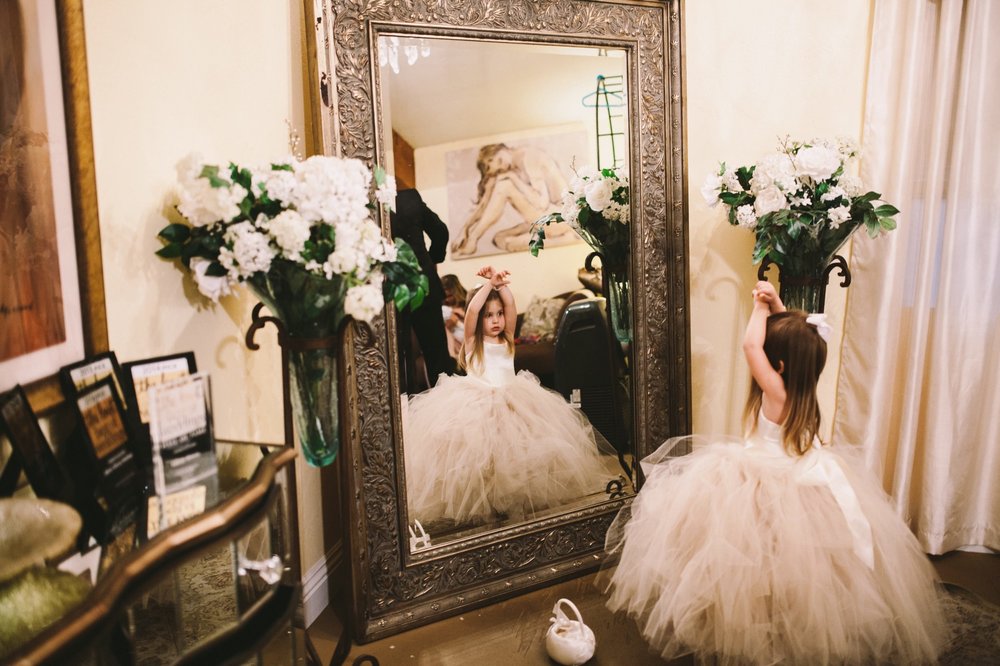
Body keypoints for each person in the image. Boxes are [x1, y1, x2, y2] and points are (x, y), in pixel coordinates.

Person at [602, 281, 947, 665]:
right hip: (805, 477)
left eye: (771, 357)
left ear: (778, 365)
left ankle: (761, 633)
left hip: (762, 481)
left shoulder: (776, 391)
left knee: (755, 561)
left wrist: (758, 309)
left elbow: (751, 347)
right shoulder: (803, 392)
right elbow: (787, 344)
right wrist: (778, 306)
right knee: (793, 567)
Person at [403, 266, 612, 525]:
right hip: (476, 404)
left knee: (516, 458)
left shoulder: (508, 339)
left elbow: (511, 307)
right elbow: (471, 312)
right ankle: (486, 510)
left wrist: (502, 286)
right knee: (481, 459)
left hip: (513, 401)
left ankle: (515, 506)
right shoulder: (472, 342)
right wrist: (488, 286)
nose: (496, 320)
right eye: (489, 316)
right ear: (479, 320)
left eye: (499, 314)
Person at [451, 143, 578, 257]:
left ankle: (473, 240)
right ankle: (563, 240)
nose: (504, 166)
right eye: (499, 169)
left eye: (500, 160)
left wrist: (513, 178)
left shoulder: (529, 156)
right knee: (500, 239)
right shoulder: (509, 168)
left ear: (501, 148)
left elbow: (541, 203)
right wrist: (465, 229)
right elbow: (484, 205)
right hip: (548, 220)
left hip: (562, 218)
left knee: (504, 185)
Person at [390, 189, 455, 390]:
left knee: (398, 359)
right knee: (438, 357)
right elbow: (440, 231)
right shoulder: (409, 198)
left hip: (389, 290)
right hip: (423, 283)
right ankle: (450, 407)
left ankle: (405, 411)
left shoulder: (360, 202)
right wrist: (431, 261)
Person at [439, 274, 467, 361]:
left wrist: (463, 315)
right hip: (454, 349)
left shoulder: (468, 304)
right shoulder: (443, 309)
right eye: (444, 297)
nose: (446, 300)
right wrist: (449, 325)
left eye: (449, 296)